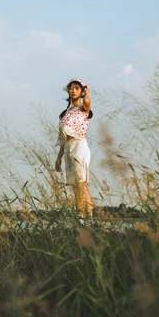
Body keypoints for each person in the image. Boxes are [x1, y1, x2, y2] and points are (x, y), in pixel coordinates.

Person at [54, 78, 94, 217]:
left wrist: (87, 92)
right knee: (76, 186)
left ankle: (82, 219)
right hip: (68, 148)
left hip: (79, 145)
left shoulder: (83, 108)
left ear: (82, 91)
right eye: (71, 88)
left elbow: (88, 103)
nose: (73, 90)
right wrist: (59, 158)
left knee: (80, 184)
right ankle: (88, 219)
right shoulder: (65, 114)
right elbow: (62, 139)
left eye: (77, 88)